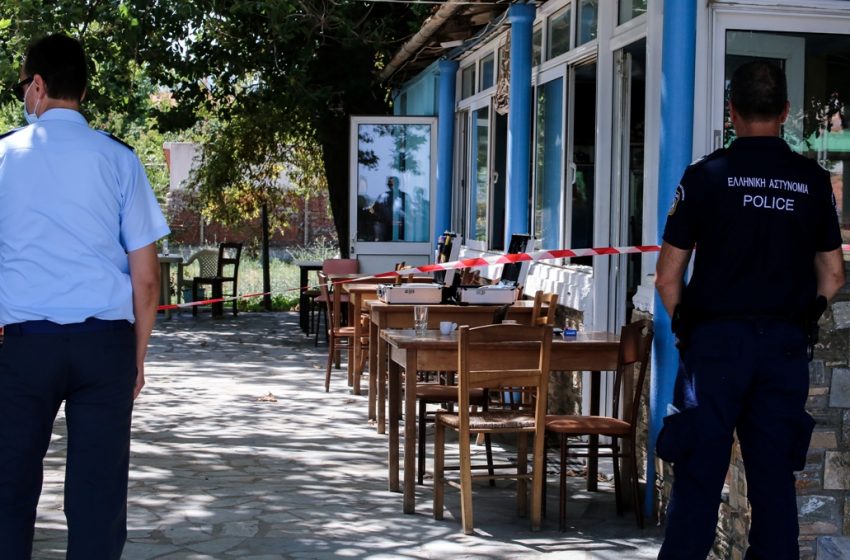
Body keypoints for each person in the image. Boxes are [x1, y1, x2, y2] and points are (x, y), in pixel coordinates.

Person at [655, 60, 846, 559]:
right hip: (783, 348)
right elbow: (833, 276)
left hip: (714, 349)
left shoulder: (704, 176)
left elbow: (667, 277)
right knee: (774, 483)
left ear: (731, 112)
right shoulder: (812, 180)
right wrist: (806, 318)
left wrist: (684, 328)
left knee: (698, 479)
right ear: (785, 111)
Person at [0, 34, 169, 558]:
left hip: (21, 347)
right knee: (98, 496)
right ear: (83, 90)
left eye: (22, 86)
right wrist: (137, 356)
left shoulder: (3, 156)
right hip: (104, 346)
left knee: (8, 489)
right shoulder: (119, 159)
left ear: (38, 85)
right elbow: (146, 278)